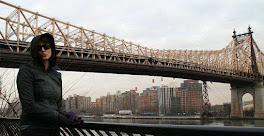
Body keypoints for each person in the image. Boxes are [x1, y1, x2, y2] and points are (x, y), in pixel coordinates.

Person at [17, 33, 83, 136]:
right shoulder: (26, 71)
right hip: (33, 129)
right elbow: (29, 106)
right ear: (34, 51)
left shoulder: (56, 75)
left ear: (51, 48)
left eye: (46, 46)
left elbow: (58, 105)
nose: (43, 50)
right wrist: (58, 117)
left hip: (53, 129)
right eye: (39, 47)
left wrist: (68, 115)